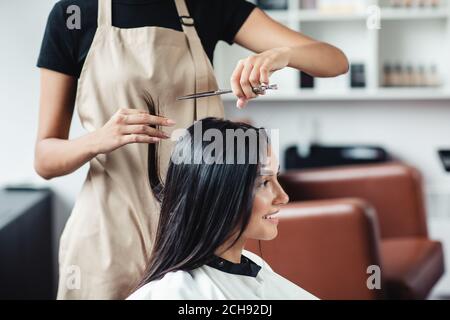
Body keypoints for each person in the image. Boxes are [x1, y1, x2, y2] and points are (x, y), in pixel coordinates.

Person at [35, 0, 348, 299]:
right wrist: (99, 139)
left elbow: (334, 61)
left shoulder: (208, 6)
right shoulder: (72, 15)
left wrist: (280, 55)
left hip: (197, 228)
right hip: (108, 230)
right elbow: (45, 159)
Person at [128, 117, 318, 300]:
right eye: (263, 183)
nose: (283, 197)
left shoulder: (254, 266)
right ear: (218, 190)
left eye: (276, 177)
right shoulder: (175, 292)